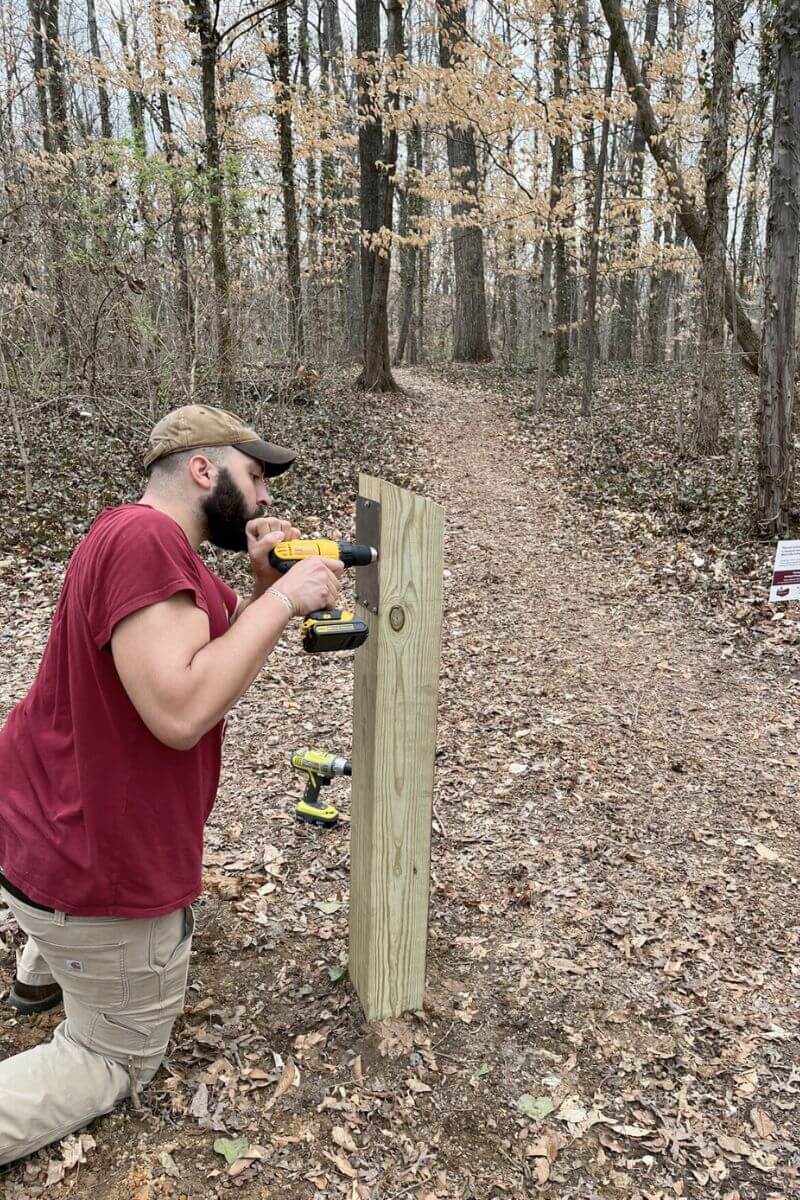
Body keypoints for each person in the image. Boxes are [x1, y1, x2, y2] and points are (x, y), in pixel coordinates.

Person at [0, 403, 343, 1166]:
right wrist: (288, 599)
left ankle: (43, 967)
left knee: (61, 914)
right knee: (111, 1058)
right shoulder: (150, 539)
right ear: (201, 470)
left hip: (36, 826)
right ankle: (74, 976)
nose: (263, 501)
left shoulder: (135, 541)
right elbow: (180, 711)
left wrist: (261, 590)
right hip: (93, 866)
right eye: (253, 477)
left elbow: (202, 671)